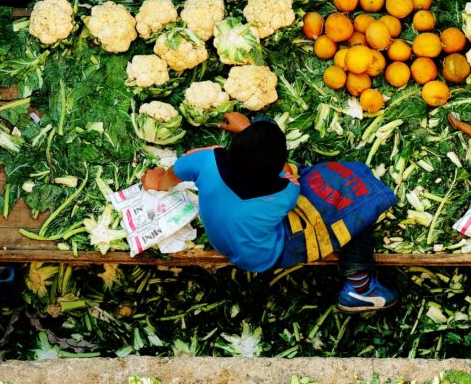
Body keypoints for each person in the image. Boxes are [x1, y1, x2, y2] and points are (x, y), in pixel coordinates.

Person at [141, 111, 398, 312]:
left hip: (223, 241)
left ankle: (256, 134)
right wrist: (251, 131)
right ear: (279, 169)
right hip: (269, 253)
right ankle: (359, 286)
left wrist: (155, 183)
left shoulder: (205, 160)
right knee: (357, 207)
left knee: (264, 124)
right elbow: (288, 172)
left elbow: (167, 179)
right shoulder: (285, 193)